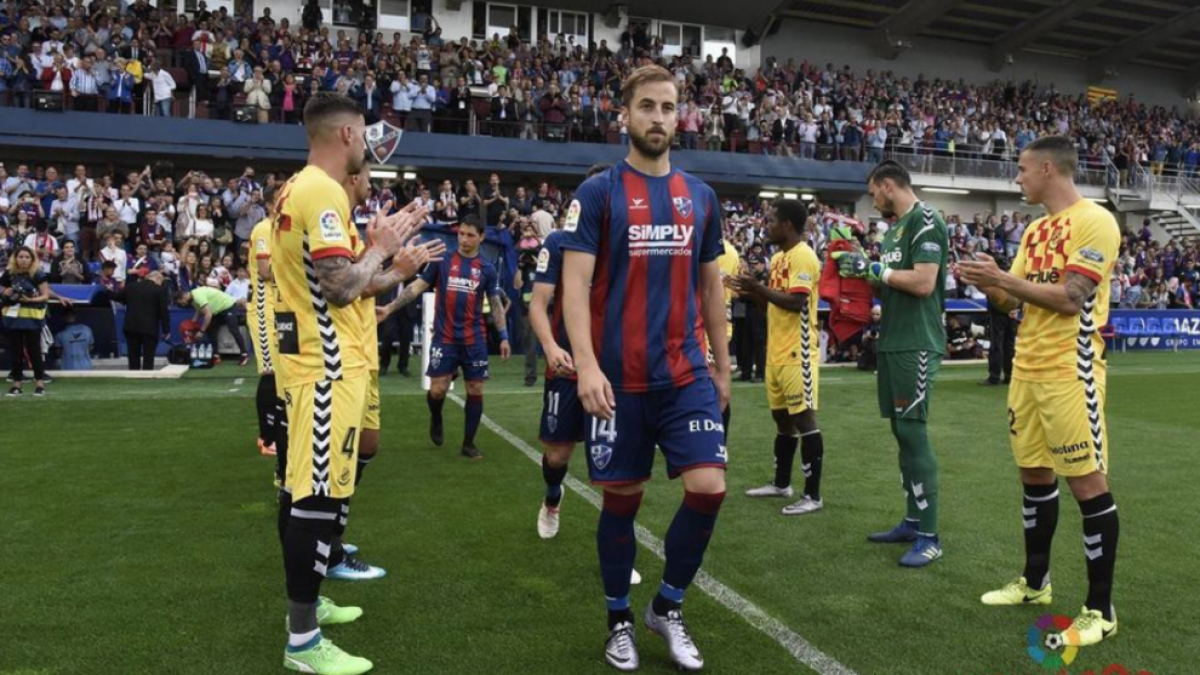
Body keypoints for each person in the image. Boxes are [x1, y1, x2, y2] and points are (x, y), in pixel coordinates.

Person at [560, 65, 731, 672]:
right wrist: (586, 367)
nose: (659, 117)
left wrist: (723, 367)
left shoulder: (700, 197)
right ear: (625, 116)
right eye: (648, 107)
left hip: (685, 374)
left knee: (709, 488)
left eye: (668, 107)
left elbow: (712, 289)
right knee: (621, 504)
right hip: (617, 381)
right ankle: (618, 621)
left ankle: (668, 606)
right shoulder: (599, 194)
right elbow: (574, 289)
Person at [270, 91, 428, 675]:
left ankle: (310, 611)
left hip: (320, 365)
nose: (368, 144)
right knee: (313, 499)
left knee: (304, 491)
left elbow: (337, 279)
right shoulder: (322, 192)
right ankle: (303, 642)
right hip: (326, 366)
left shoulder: (299, 188)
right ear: (346, 136)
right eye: (364, 134)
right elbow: (339, 288)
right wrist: (383, 251)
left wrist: (380, 258)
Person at [959, 135, 1123, 647]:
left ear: (1048, 169)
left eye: (1023, 169)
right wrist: (989, 282)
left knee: (1087, 484)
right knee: (1033, 473)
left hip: (1069, 373)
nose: (1017, 178)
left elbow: (1071, 299)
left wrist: (1005, 281)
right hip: (1026, 370)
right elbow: (1013, 303)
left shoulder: (1096, 221)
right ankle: (1035, 584)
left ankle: (1101, 610)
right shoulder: (1035, 229)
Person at [832, 159, 949, 568]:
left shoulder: (927, 219)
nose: (872, 199)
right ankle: (913, 521)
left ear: (887, 185)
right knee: (902, 433)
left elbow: (922, 282)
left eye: (872, 191)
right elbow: (890, 278)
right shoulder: (896, 227)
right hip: (894, 340)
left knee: (914, 433)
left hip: (917, 342)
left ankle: (930, 536)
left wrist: (877, 269)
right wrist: (861, 268)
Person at [379, 215, 510, 460]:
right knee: (438, 390)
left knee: (475, 387)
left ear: (481, 237)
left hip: (475, 340)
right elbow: (416, 287)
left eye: (471, 235)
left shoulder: (487, 269)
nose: (464, 239)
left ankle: (468, 443)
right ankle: (436, 416)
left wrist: (503, 336)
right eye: (461, 233)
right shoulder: (444, 261)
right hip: (445, 339)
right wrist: (390, 307)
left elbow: (494, 303)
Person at [731, 199, 826, 515]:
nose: (766, 225)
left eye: (771, 220)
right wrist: (752, 291)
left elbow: (797, 302)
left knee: (804, 419)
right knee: (782, 420)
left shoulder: (803, 256)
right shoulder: (779, 258)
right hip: (776, 351)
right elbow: (773, 305)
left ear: (787, 224)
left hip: (797, 352)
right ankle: (781, 484)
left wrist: (758, 286)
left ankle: (812, 495)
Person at [248, 216, 280, 457]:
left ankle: (273, 433)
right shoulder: (264, 229)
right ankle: (267, 437)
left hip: (279, 308)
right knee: (270, 371)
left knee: (281, 371)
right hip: (264, 307)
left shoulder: (281, 230)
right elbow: (265, 271)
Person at [2, 246, 50, 396]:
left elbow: (45, 295)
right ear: (15, 258)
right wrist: (5, 291)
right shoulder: (9, 274)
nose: (23, 259)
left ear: (32, 259)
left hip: (32, 317)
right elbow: (1, 287)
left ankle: (40, 384)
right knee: (15, 352)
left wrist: (30, 299)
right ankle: (17, 384)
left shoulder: (38, 274)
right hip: (13, 319)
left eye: (27, 257)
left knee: (34, 351)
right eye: (20, 256)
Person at [173, 285, 249, 366]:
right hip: (217, 310)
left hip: (228, 306)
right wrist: (192, 324)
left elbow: (208, 314)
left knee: (233, 328)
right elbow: (199, 311)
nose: (183, 304)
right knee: (210, 328)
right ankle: (216, 355)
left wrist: (201, 331)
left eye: (181, 302)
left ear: (183, 297)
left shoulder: (197, 296)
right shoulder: (193, 299)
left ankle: (244, 354)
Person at [117, 270, 170, 370]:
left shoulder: (131, 287)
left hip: (131, 326)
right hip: (149, 328)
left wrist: (105, 291)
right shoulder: (159, 290)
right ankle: (147, 377)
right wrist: (166, 329)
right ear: (158, 278)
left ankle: (133, 376)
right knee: (148, 357)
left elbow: (118, 297)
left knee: (133, 356)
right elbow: (163, 311)